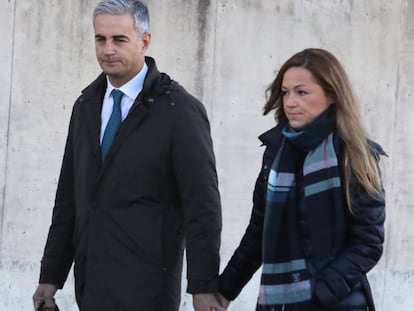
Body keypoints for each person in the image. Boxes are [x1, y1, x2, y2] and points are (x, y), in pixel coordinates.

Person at [32, 1, 224, 310]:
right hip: (91, 287)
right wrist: (50, 276)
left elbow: (203, 206)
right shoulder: (86, 106)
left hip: (148, 291)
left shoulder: (179, 111)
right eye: (100, 39)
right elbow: (69, 198)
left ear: (144, 41)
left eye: (119, 40)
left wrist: (203, 287)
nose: (107, 49)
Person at [216, 48, 386, 311]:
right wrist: (225, 290)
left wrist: (319, 293)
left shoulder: (354, 155)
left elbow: (368, 242)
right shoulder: (276, 153)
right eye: (285, 92)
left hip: (336, 304)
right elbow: (258, 233)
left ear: (331, 95)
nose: (290, 102)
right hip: (279, 304)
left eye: (302, 92)